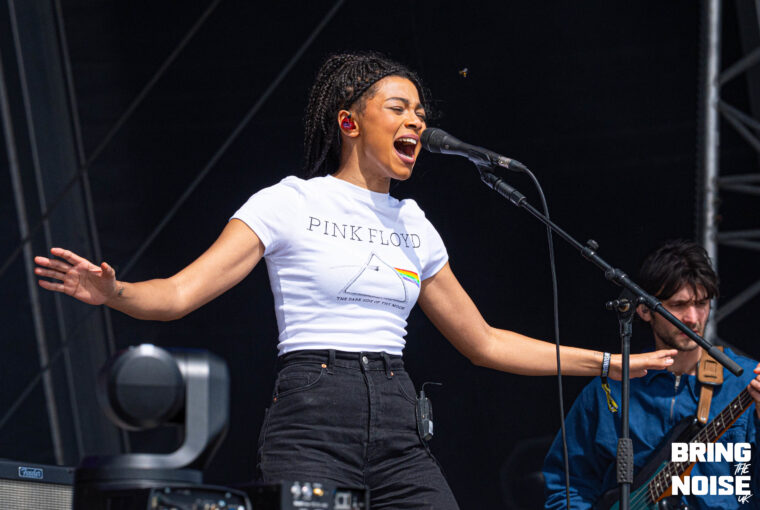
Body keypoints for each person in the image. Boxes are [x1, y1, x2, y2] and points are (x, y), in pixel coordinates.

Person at [34, 52, 675, 509]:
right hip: (313, 415)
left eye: (421, 112)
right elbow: (178, 294)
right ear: (349, 122)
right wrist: (115, 293)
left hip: (398, 420)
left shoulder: (414, 224)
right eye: (399, 108)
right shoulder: (289, 202)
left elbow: (483, 341)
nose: (416, 121)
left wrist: (608, 364)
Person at [543, 240, 760, 510]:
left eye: (702, 303)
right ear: (644, 310)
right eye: (678, 305)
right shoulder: (610, 388)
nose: (693, 318)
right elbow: (568, 485)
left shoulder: (745, 382)